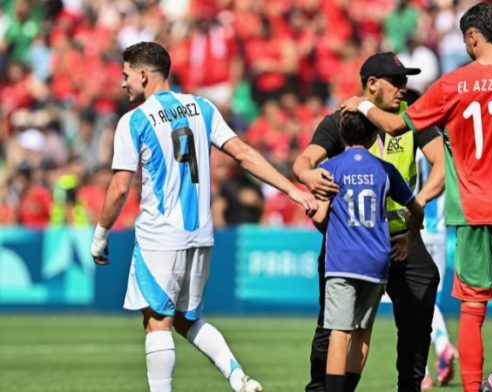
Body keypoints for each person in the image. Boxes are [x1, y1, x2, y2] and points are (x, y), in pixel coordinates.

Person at [341, 3, 492, 392]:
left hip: (470, 212)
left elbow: (397, 125)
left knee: (472, 307)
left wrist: (362, 103)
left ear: (472, 37)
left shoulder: (453, 85)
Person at [89, 42, 317, 392]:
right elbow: (242, 153)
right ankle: (239, 378)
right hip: (201, 234)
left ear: (144, 75)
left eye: (126, 75)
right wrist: (292, 189)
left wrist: (101, 233)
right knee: (184, 319)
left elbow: (120, 188)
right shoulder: (201, 108)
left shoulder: (133, 120)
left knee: (157, 323)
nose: (123, 83)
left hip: (160, 233)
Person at [293, 52, 445, 392]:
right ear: (371, 84)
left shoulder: (412, 118)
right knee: (331, 328)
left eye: (406, 81)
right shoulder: (341, 120)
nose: (404, 88)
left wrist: (413, 216)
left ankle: (410, 385)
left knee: (416, 323)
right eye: (397, 81)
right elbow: (305, 160)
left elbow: (442, 166)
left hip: (402, 240)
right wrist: (307, 174)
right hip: (356, 241)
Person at [311, 111, 424, 392]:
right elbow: (415, 208)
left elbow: (318, 217)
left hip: (343, 261)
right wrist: (409, 237)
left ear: (342, 135)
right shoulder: (384, 169)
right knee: (362, 332)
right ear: (375, 136)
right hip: (376, 261)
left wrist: (330, 226)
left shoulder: (332, 167)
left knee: (339, 332)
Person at [416, 149, 457, 390]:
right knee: (432, 301)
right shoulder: (442, 144)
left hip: (414, 227)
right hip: (439, 232)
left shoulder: (407, 139)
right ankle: (441, 347)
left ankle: (422, 369)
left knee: (411, 302)